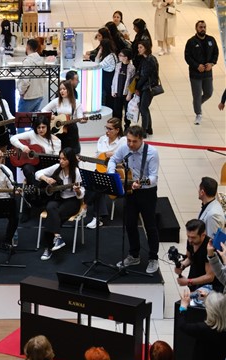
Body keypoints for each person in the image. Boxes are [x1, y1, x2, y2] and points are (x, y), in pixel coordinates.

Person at [108, 125, 159, 273]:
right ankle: (134, 255)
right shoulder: (125, 148)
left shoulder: (152, 153)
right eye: (129, 140)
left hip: (147, 192)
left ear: (141, 139)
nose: (130, 144)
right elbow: (112, 160)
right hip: (130, 191)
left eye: (134, 141)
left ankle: (153, 258)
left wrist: (140, 183)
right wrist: (112, 174)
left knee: (150, 226)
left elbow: (154, 178)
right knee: (130, 224)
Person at [34, 147, 84, 260]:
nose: (61, 161)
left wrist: (77, 190)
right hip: (58, 197)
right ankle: (57, 237)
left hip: (72, 200)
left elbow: (82, 194)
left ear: (70, 160)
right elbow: (38, 173)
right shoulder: (57, 168)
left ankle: (48, 248)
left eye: (64, 159)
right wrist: (46, 179)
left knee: (53, 216)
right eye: (60, 158)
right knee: (50, 207)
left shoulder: (76, 173)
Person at [177, 288, 226, 360]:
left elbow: (182, 325)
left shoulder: (203, 329)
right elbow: (221, 303)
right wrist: (209, 296)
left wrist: (183, 306)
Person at [84, 117, 126, 229]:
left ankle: (92, 212)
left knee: (98, 186)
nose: (107, 131)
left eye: (110, 129)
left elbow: (126, 159)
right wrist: (85, 158)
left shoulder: (123, 141)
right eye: (106, 128)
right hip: (102, 170)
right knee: (88, 180)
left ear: (117, 130)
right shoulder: (102, 139)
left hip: (116, 173)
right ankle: (98, 215)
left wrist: (114, 155)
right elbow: (99, 157)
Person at [184, 20, 219, 125]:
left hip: (207, 73)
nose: (202, 29)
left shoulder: (211, 40)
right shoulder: (191, 42)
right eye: (200, 27)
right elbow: (187, 57)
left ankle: (197, 103)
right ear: (196, 28)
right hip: (196, 74)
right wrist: (196, 66)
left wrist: (212, 64)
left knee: (209, 93)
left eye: (204, 27)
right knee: (197, 94)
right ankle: (198, 113)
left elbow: (215, 53)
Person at [10, 115, 61, 186]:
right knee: (27, 168)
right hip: (33, 164)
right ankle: (34, 188)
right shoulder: (32, 134)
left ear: (48, 127)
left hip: (47, 166)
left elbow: (56, 158)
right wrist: (22, 147)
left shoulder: (56, 141)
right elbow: (13, 138)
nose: (41, 130)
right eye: (38, 127)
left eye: (43, 127)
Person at [174, 219, 222, 292]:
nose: (190, 240)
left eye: (193, 237)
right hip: (195, 278)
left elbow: (210, 276)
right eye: (188, 236)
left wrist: (188, 281)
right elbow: (190, 258)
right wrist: (182, 265)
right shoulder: (191, 241)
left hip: (210, 287)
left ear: (203, 235)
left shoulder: (210, 248)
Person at [41, 80, 85, 154]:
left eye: (64, 89)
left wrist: (83, 120)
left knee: (72, 152)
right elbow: (43, 110)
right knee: (59, 151)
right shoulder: (57, 101)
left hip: (71, 129)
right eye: (60, 89)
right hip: (58, 129)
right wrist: (51, 115)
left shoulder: (76, 102)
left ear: (69, 89)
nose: (62, 91)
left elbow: (80, 117)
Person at [134, 40, 159, 136]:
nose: (139, 49)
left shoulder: (149, 60)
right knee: (145, 107)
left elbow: (144, 76)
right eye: (138, 47)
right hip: (147, 86)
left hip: (147, 87)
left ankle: (143, 131)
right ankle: (149, 128)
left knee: (143, 108)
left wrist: (137, 87)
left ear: (146, 48)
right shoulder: (145, 59)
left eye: (141, 47)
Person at [17, 39, 45, 116]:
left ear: (27, 47)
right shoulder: (41, 60)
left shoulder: (27, 61)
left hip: (28, 96)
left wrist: (21, 92)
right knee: (34, 122)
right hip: (39, 95)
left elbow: (25, 80)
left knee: (21, 122)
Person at [111, 47, 136, 128]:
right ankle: (118, 126)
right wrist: (113, 90)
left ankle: (127, 126)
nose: (119, 56)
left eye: (121, 55)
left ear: (126, 57)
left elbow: (132, 83)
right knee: (117, 111)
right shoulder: (118, 65)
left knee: (127, 111)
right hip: (117, 91)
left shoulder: (132, 68)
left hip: (126, 94)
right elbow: (114, 79)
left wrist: (129, 94)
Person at [96, 38, 118, 108]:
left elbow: (97, 65)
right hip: (108, 78)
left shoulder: (109, 57)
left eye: (101, 46)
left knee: (108, 97)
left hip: (108, 79)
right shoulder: (111, 55)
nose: (100, 47)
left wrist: (99, 53)